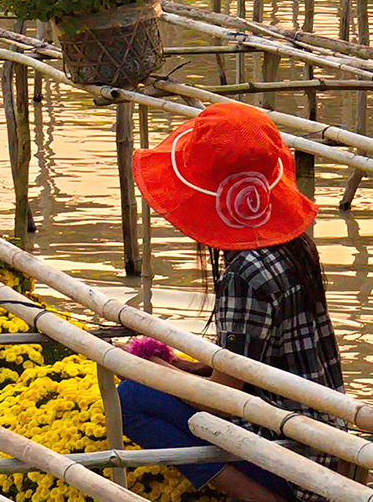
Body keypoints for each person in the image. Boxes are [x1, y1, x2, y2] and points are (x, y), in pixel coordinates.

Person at [121, 103, 345, 474]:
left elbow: (222, 401)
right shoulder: (296, 247)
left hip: (291, 456)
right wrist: (183, 367)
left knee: (132, 398)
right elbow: (247, 362)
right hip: (324, 438)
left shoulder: (245, 273)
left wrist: (156, 372)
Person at [108, 336, 307, 502]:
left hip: (297, 468)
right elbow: (242, 363)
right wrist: (180, 364)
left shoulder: (244, 298)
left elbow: (217, 403)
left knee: (129, 397)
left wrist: (150, 365)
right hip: (314, 449)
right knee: (136, 393)